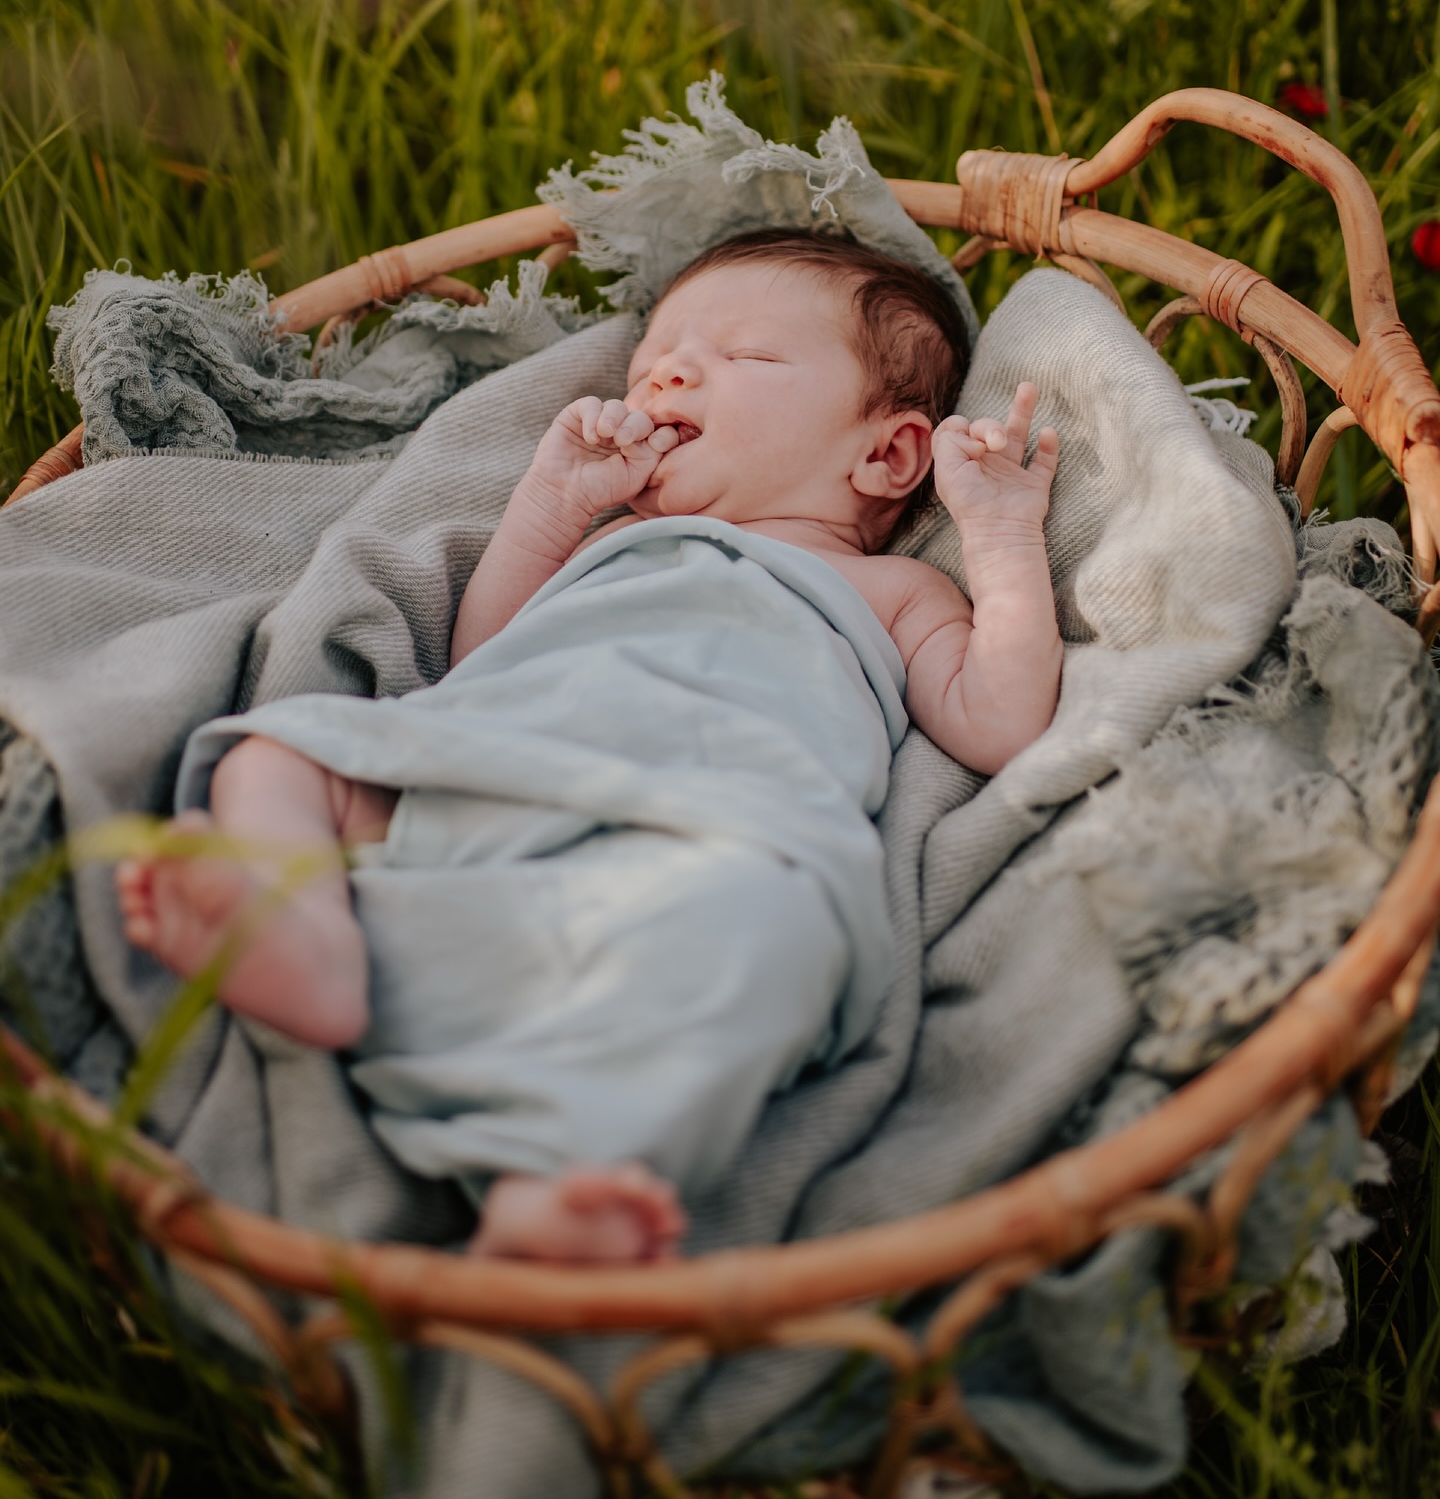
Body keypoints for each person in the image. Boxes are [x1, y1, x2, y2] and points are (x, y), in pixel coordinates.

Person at [117, 228, 1062, 1265]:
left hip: (698, 842)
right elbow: (484, 657)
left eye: (743, 356)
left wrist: (1003, 538)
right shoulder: (614, 539)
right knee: (282, 751)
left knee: (768, 934)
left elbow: (998, 720)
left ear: (885, 455)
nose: (669, 370)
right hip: (491, 775)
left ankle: (561, 1182)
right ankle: (300, 929)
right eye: (659, 353)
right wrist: (548, 506)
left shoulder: (889, 594)